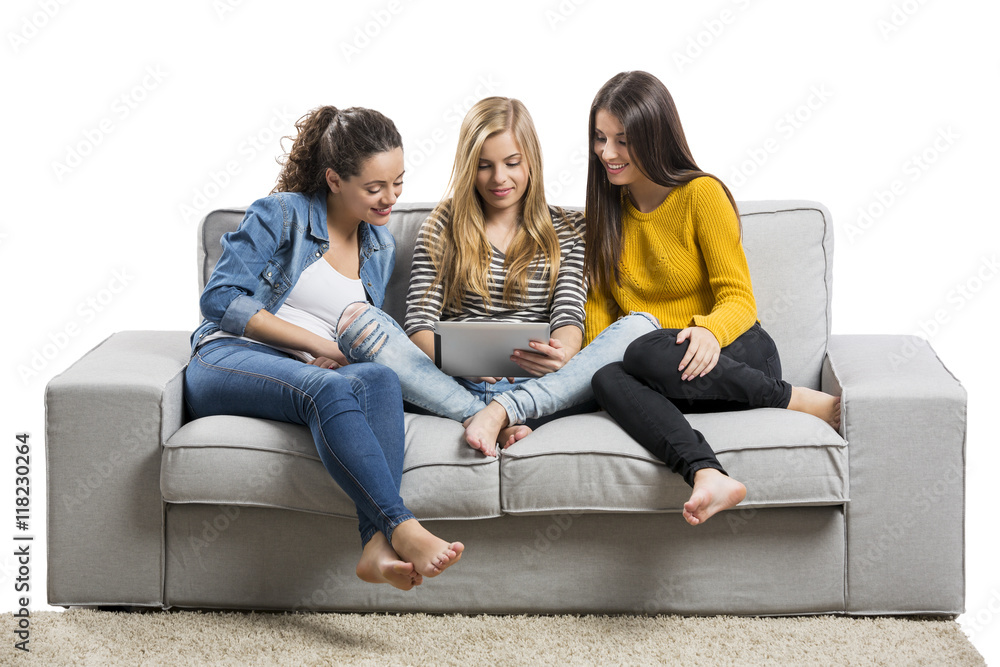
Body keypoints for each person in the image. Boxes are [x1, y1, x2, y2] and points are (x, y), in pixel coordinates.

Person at [184, 106, 463, 591]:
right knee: (327, 389)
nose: (390, 198)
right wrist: (318, 345)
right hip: (229, 356)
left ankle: (374, 547)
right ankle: (401, 526)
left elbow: (376, 340)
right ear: (334, 179)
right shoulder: (282, 214)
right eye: (374, 188)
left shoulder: (380, 247)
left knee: (379, 378)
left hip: (309, 373)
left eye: (397, 182)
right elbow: (219, 298)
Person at [585, 71, 842, 527]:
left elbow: (739, 300)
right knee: (607, 373)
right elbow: (601, 320)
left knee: (642, 349)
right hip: (667, 372)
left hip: (735, 355)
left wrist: (707, 330)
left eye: (622, 140)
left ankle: (791, 398)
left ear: (654, 135)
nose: (607, 153)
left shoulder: (701, 194)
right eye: (600, 139)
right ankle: (707, 473)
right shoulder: (606, 214)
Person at [334, 97, 657, 456]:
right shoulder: (441, 226)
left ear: (531, 160)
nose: (499, 178)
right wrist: (452, 356)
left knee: (640, 327)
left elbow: (569, 315)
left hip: (540, 389)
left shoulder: (569, 228)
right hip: (453, 384)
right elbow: (419, 325)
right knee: (356, 321)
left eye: (512, 163)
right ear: (469, 167)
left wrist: (562, 353)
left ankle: (503, 413)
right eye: (484, 166)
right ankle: (483, 416)